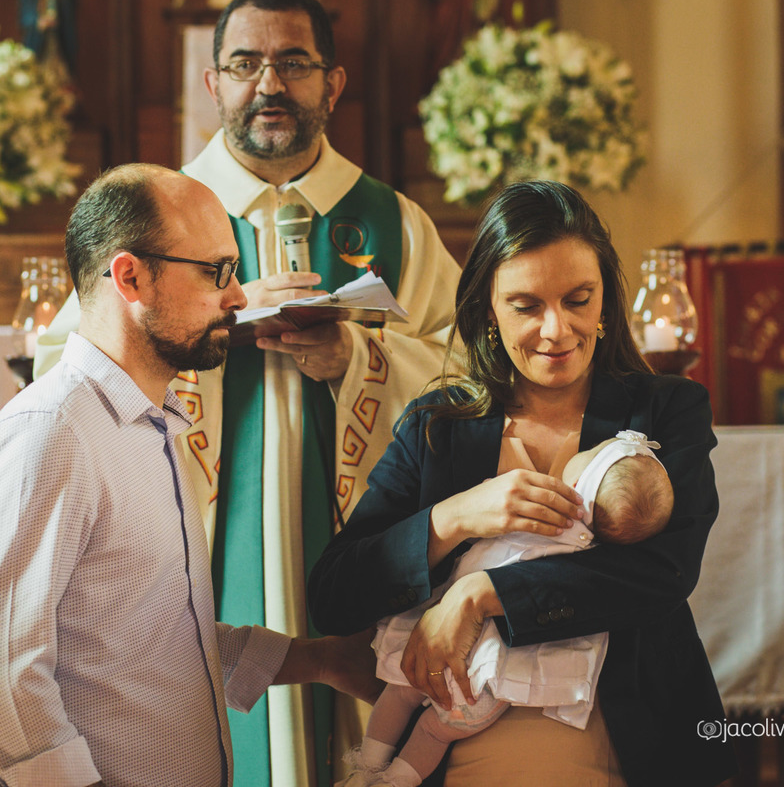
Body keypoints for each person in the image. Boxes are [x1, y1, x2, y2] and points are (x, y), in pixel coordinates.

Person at [35, 0, 460, 783]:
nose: (270, 83)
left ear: (332, 84)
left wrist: (358, 362)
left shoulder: (394, 225)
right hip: (198, 548)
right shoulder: (152, 220)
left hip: (361, 545)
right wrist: (209, 330)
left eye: (294, 63)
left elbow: (470, 380)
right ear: (213, 84)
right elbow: (61, 368)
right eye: (246, 64)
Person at [0, 164, 379, 787]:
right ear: (130, 276)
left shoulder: (155, 422)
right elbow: (1, 671)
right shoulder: (49, 435)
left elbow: (151, 638)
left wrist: (320, 659)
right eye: (217, 272)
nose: (238, 297)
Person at [308, 180, 739, 786]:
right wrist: (452, 518)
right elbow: (333, 595)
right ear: (488, 306)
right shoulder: (439, 426)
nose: (556, 330)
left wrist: (479, 592)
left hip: (633, 750)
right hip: (449, 762)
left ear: (604, 303)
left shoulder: (666, 411)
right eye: (526, 305)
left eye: (578, 299)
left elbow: (661, 574)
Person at [341, 431, 674, 787]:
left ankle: (367, 769)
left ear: (578, 484)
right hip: (492, 685)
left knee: (401, 692)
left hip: (450, 652)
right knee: (435, 732)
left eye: (592, 451)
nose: (590, 446)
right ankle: (395, 781)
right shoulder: (591, 556)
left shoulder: (535, 517)